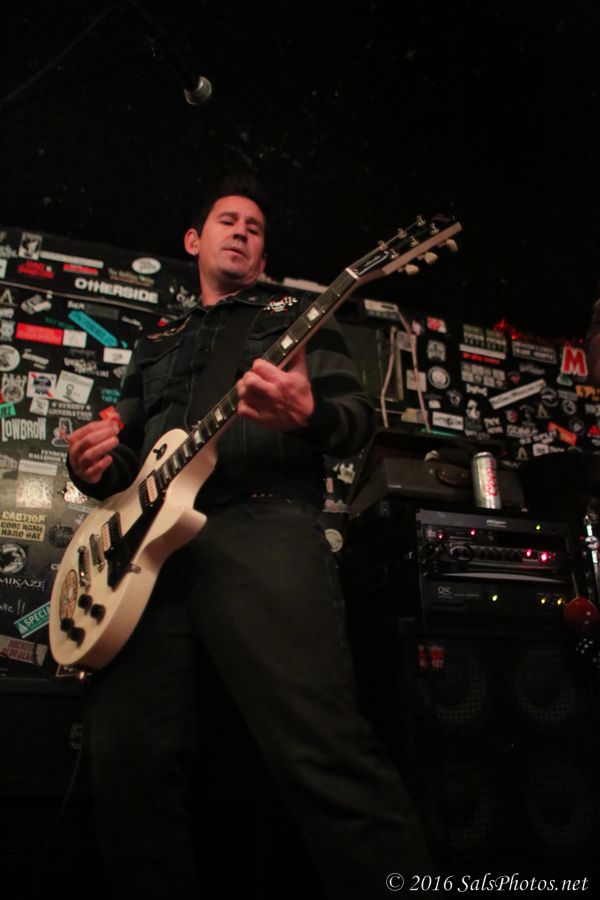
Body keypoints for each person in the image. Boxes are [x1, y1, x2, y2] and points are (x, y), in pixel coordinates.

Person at [66, 174, 433, 899]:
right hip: (145, 557)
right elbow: (129, 454)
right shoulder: (155, 341)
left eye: (255, 227)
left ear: (264, 256)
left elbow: (355, 419)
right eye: (227, 220)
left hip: (261, 523)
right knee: (125, 756)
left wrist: (308, 413)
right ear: (193, 240)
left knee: (319, 749)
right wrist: (92, 466)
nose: (241, 230)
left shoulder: (297, 316)